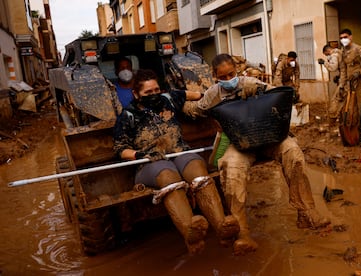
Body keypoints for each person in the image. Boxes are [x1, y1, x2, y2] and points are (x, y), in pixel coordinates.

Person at [183, 54, 330, 256]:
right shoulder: (213, 94)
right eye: (223, 77)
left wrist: (260, 92)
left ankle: (306, 212)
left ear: (237, 71)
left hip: (269, 136)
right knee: (230, 168)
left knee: (293, 152)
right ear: (215, 76)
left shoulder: (250, 83)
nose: (228, 80)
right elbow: (197, 110)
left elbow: (278, 98)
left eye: (231, 74)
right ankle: (242, 233)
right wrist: (181, 100)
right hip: (241, 143)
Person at [113, 69, 240, 255]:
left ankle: (221, 227)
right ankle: (190, 232)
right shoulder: (128, 116)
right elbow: (120, 149)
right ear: (136, 94)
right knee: (168, 175)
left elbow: (192, 94)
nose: (154, 95)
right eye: (148, 92)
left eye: (156, 90)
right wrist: (139, 155)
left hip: (180, 152)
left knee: (198, 169)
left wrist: (211, 97)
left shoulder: (168, 99)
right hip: (150, 163)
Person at [338, 29, 361, 128]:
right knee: (350, 108)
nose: (343, 40)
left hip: (360, 83)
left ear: (350, 37)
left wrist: (359, 73)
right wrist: (341, 85)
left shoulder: (359, 50)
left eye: (345, 37)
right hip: (349, 84)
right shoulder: (342, 52)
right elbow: (343, 70)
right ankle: (354, 129)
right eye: (341, 38)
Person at [318, 44, 343, 126]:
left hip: (345, 81)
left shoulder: (334, 55)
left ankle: (332, 120)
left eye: (326, 55)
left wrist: (324, 63)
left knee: (335, 100)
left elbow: (333, 68)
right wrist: (339, 76)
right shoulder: (340, 52)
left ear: (328, 51)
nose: (328, 57)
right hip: (343, 78)